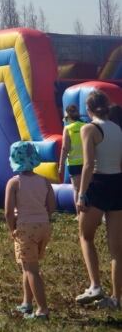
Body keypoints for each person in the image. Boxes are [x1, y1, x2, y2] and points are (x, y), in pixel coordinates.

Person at [75, 91, 122, 309]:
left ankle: (95, 285)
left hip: (99, 184)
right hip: (118, 184)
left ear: (89, 108)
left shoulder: (89, 128)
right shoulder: (117, 128)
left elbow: (88, 164)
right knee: (116, 249)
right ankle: (116, 298)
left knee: (85, 236)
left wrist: (82, 194)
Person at [4, 141, 56, 320]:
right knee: (28, 266)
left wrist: (13, 228)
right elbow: (51, 206)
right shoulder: (44, 181)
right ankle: (27, 302)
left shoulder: (14, 183)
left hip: (25, 228)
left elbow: (8, 212)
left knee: (31, 269)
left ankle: (42, 309)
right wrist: (42, 216)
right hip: (43, 226)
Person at [58, 105, 86, 207]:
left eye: (65, 118)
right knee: (88, 187)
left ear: (68, 117)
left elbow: (65, 148)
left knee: (76, 189)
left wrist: (61, 165)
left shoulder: (68, 128)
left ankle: (79, 214)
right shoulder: (85, 125)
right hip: (87, 162)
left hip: (74, 163)